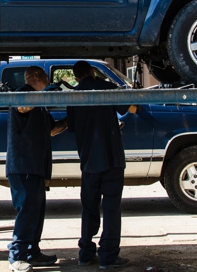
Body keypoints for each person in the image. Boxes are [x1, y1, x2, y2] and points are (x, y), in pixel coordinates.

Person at [66, 61, 133, 270]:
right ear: (93, 72)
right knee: (111, 208)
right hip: (111, 158)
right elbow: (130, 107)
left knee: (89, 207)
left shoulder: (73, 96)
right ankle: (108, 256)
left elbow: (73, 127)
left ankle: (85, 253)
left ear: (76, 77)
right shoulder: (107, 87)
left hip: (88, 160)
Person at [6, 66, 67, 272]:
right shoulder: (23, 94)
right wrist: (46, 95)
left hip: (37, 166)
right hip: (24, 165)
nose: (48, 83)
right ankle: (17, 256)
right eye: (47, 80)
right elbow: (23, 108)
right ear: (36, 77)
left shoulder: (41, 105)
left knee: (36, 212)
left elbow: (52, 130)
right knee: (27, 210)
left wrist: (72, 118)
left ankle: (32, 252)